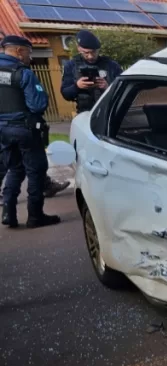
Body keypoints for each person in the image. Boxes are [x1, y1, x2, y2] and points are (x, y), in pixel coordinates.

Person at [0, 35, 60, 228]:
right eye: (28, 52)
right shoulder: (23, 72)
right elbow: (37, 105)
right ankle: (35, 216)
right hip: (25, 129)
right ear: (19, 51)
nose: (30, 57)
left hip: (3, 131)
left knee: (15, 169)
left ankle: (9, 213)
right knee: (36, 171)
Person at [60, 30, 122, 114]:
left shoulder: (111, 65)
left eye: (94, 52)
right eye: (86, 53)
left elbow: (123, 91)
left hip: (109, 113)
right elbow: (66, 94)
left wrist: (108, 88)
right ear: (79, 49)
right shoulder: (71, 66)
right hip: (85, 114)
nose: (90, 56)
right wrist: (77, 86)